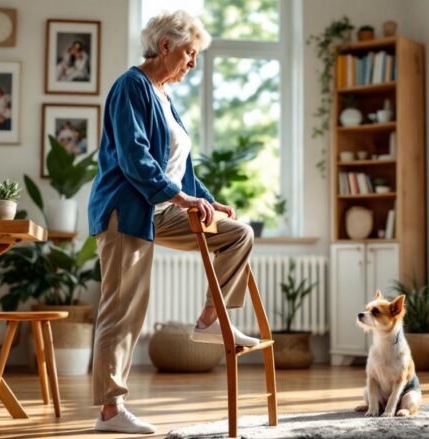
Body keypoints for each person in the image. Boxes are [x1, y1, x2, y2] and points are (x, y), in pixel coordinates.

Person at [87, 10, 259, 435]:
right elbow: (135, 157)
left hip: (161, 207)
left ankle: (209, 320)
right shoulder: (132, 86)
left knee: (238, 235)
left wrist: (206, 201)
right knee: (123, 310)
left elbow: (180, 167)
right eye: (189, 53)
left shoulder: (164, 95)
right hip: (126, 210)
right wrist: (180, 197)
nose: (192, 63)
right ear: (165, 46)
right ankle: (110, 412)